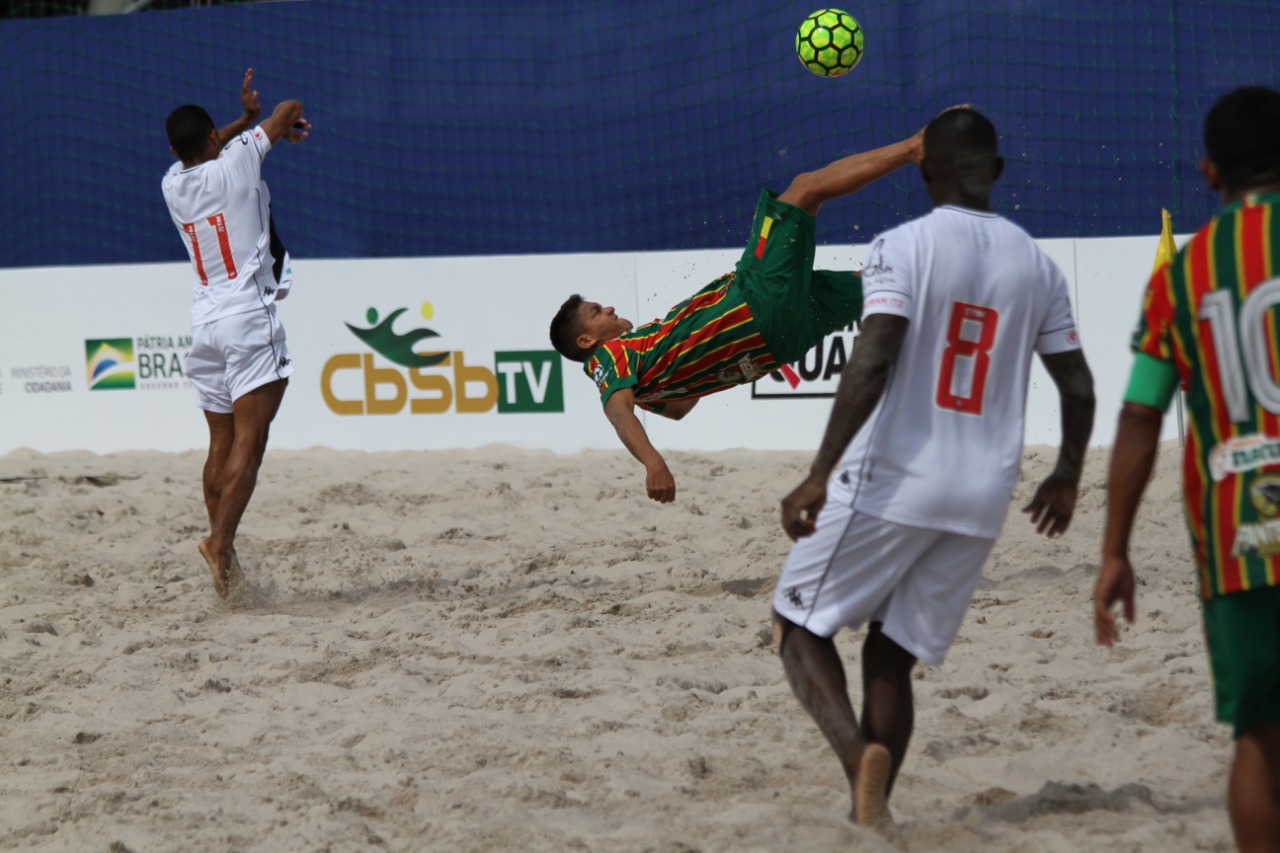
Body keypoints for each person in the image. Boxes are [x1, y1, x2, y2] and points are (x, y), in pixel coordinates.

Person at [770, 107, 1096, 832]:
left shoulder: (903, 245)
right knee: (891, 655)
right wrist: (1067, 474)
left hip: (898, 474)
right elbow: (1077, 385)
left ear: (924, 171)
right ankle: (873, 813)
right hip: (983, 494)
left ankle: (860, 764)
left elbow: (876, 353)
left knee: (797, 623)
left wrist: (821, 470)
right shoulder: (1037, 264)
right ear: (998, 173)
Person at [549, 122, 935, 503]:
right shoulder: (608, 359)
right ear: (586, 340)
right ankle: (915, 147)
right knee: (804, 189)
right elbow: (619, 414)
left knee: (882, 285)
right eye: (596, 311)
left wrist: (707, 350)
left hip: (776, 346)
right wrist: (654, 463)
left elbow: (680, 409)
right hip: (753, 301)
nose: (609, 308)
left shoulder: (642, 374)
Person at [1094, 86, 1280, 852]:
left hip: (1241, 529)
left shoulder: (1185, 271)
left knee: (1260, 741)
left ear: (1208, 173)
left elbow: (1141, 414)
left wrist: (1114, 550)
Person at [161, 69, 311, 599]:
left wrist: (246, 122)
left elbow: (206, 145)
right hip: (248, 315)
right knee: (253, 440)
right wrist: (267, 123)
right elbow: (291, 104)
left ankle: (225, 563)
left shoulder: (172, 184)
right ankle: (219, 543)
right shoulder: (240, 158)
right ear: (212, 139)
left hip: (203, 323)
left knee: (220, 443)